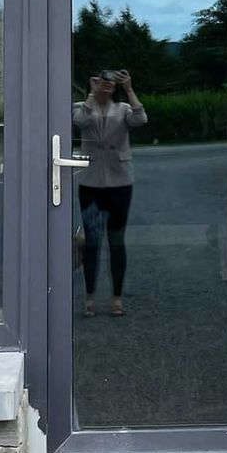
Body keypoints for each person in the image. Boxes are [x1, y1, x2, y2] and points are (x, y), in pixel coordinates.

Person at [73, 69, 147, 317]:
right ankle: (90, 296)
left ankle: (117, 297)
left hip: (119, 182)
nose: (106, 86)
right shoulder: (84, 106)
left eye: (110, 83)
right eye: (102, 82)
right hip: (91, 182)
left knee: (116, 241)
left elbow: (141, 119)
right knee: (92, 242)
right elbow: (79, 122)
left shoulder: (124, 109)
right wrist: (92, 95)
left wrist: (129, 88)